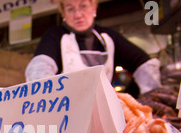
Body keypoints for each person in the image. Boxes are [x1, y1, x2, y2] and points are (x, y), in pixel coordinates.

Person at [25, 0, 162, 96]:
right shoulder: (55, 36)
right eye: (70, 8)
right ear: (63, 13)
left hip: (104, 114)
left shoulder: (109, 37)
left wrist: (152, 96)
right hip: (66, 114)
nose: (78, 14)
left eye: (83, 6)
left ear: (93, 7)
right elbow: (38, 70)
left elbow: (144, 64)